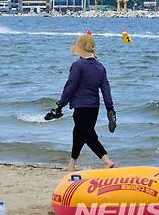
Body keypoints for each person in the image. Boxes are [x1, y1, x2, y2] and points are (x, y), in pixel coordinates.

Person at [46, 33, 115, 172]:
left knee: (88, 134)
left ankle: (107, 161)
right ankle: (71, 164)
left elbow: (70, 86)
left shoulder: (78, 65)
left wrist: (60, 105)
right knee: (79, 133)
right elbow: (106, 88)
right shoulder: (100, 67)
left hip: (81, 106)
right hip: (94, 107)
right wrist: (110, 108)